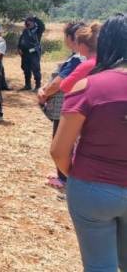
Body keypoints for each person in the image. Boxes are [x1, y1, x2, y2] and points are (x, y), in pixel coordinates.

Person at [50, 14, 127, 271]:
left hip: (92, 187)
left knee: (99, 265)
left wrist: (77, 176)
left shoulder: (88, 87)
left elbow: (59, 150)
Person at [38, 21, 86, 188]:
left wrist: (44, 93)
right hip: (75, 105)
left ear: (69, 37)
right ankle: (63, 173)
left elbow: (59, 83)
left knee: (62, 140)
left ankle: (64, 178)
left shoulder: (77, 59)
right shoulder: (83, 56)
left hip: (65, 106)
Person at [59, 23, 100, 93]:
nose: (75, 45)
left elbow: (64, 86)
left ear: (83, 45)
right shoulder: (104, 61)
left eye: (77, 42)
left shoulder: (87, 64)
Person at [18, 16, 45, 91]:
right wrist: (19, 48)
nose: (28, 23)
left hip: (34, 53)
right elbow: (21, 39)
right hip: (25, 53)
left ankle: (38, 86)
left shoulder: (38, 30)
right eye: (27, 22)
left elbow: (42, 25)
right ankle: (27, 85)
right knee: (26, 69)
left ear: (33, 22)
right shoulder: (25, 31)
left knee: (36, 69)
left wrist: (35, 18)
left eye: (29, 21)